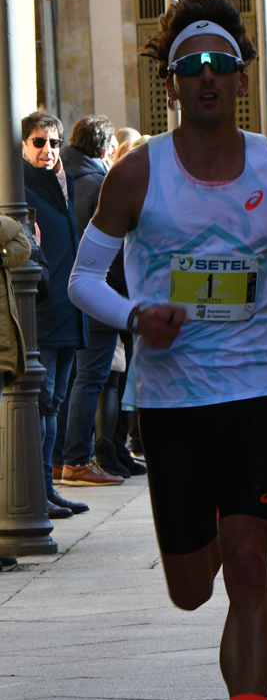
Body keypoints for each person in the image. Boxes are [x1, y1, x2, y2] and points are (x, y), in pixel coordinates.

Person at [67, 0, 267, 700]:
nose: (206, 76)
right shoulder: (137, 174)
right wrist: (136, 315)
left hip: (254, 395)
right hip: (170, 404)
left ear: (241, 80)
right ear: (169, 84)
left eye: (220, 64)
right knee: (192, 589)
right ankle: (209, 540)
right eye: (190, 65)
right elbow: (80, 279)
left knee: (251, 566)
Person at [22, 110, 98, 516]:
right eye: (39, 142)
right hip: (44, 311)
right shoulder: (20, 188)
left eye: (54, 142)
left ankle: (48, 488)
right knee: (42, 403)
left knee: (54, 404)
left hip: (69, 310)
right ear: (23, 145)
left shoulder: (60, 183)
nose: (48, 150)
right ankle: (37, 492)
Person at [61, 115, 139, 481]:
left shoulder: (64, 178)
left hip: (70, 292)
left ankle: (68, 456)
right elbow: (115, 251)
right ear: (108, 147)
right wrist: (123, 297)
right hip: (100, 292)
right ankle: (78, 458)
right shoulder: (98, 184)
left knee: (77, 378)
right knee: (94, 378)